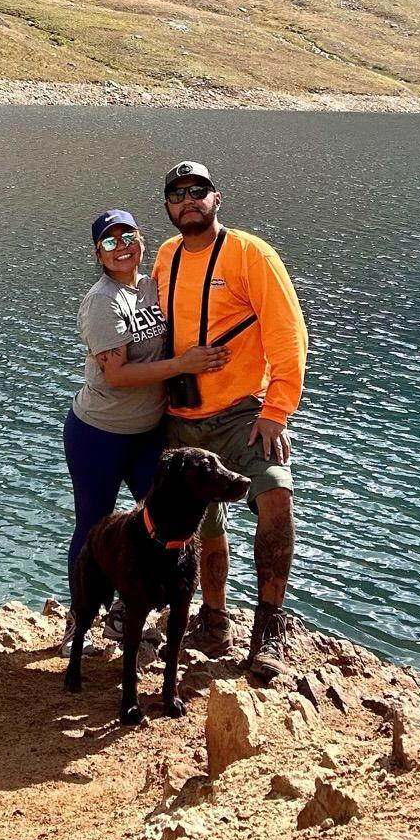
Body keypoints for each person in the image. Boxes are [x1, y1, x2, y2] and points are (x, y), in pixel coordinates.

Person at [152, 161, 309, 681]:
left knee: (276, 494)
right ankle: (214, 620)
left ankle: (269, 628)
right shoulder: (166, 256)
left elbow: (287, 333)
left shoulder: (250, 253)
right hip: (180, 415)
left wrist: (276, 411)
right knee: (204, 524)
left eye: (198, 190)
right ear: (168, 206)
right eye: (177, 194)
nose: (188, 200)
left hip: (243, 411)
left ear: (216, 198)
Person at [63, 208, 228, 651]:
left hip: (149, 432)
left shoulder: (152, 286)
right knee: (93, 526)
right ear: (98, 253)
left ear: (141, 240)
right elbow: (116, 374)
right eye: (110, 241)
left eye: (128, 237)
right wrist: (183, 365)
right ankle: (78, 624)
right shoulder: (103, 301)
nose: (121, 247)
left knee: (159, 523)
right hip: (99, 433)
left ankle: (125, 612)